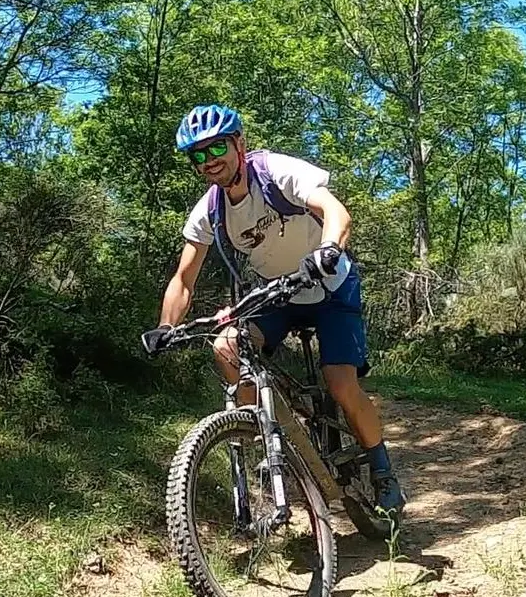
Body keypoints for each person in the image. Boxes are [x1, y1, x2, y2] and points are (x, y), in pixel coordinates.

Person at [142, 103, 405, 520]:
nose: (210, 161)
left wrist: (329, 250)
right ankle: (268, 436)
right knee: (227, 347)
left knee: (340, 384)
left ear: (239, 144)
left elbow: (335, 211)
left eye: (217, 149)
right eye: (199, 155)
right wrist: (164, 326)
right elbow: (184, 278)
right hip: (277, 294)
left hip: (330, 285)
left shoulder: (276, 172)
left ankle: (382, 467)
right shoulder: (209, 210)